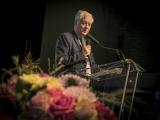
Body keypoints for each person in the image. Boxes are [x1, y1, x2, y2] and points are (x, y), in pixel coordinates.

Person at [54, 10, 96, 76]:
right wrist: (82, 54)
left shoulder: (86, 41)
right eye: (84, 23)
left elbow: (92, 65)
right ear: (76, 22)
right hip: (72, 81)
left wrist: (108, 72)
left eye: (89, 24)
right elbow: (61, 61)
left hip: (88, 82)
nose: (87, 27)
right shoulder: (65, 37)